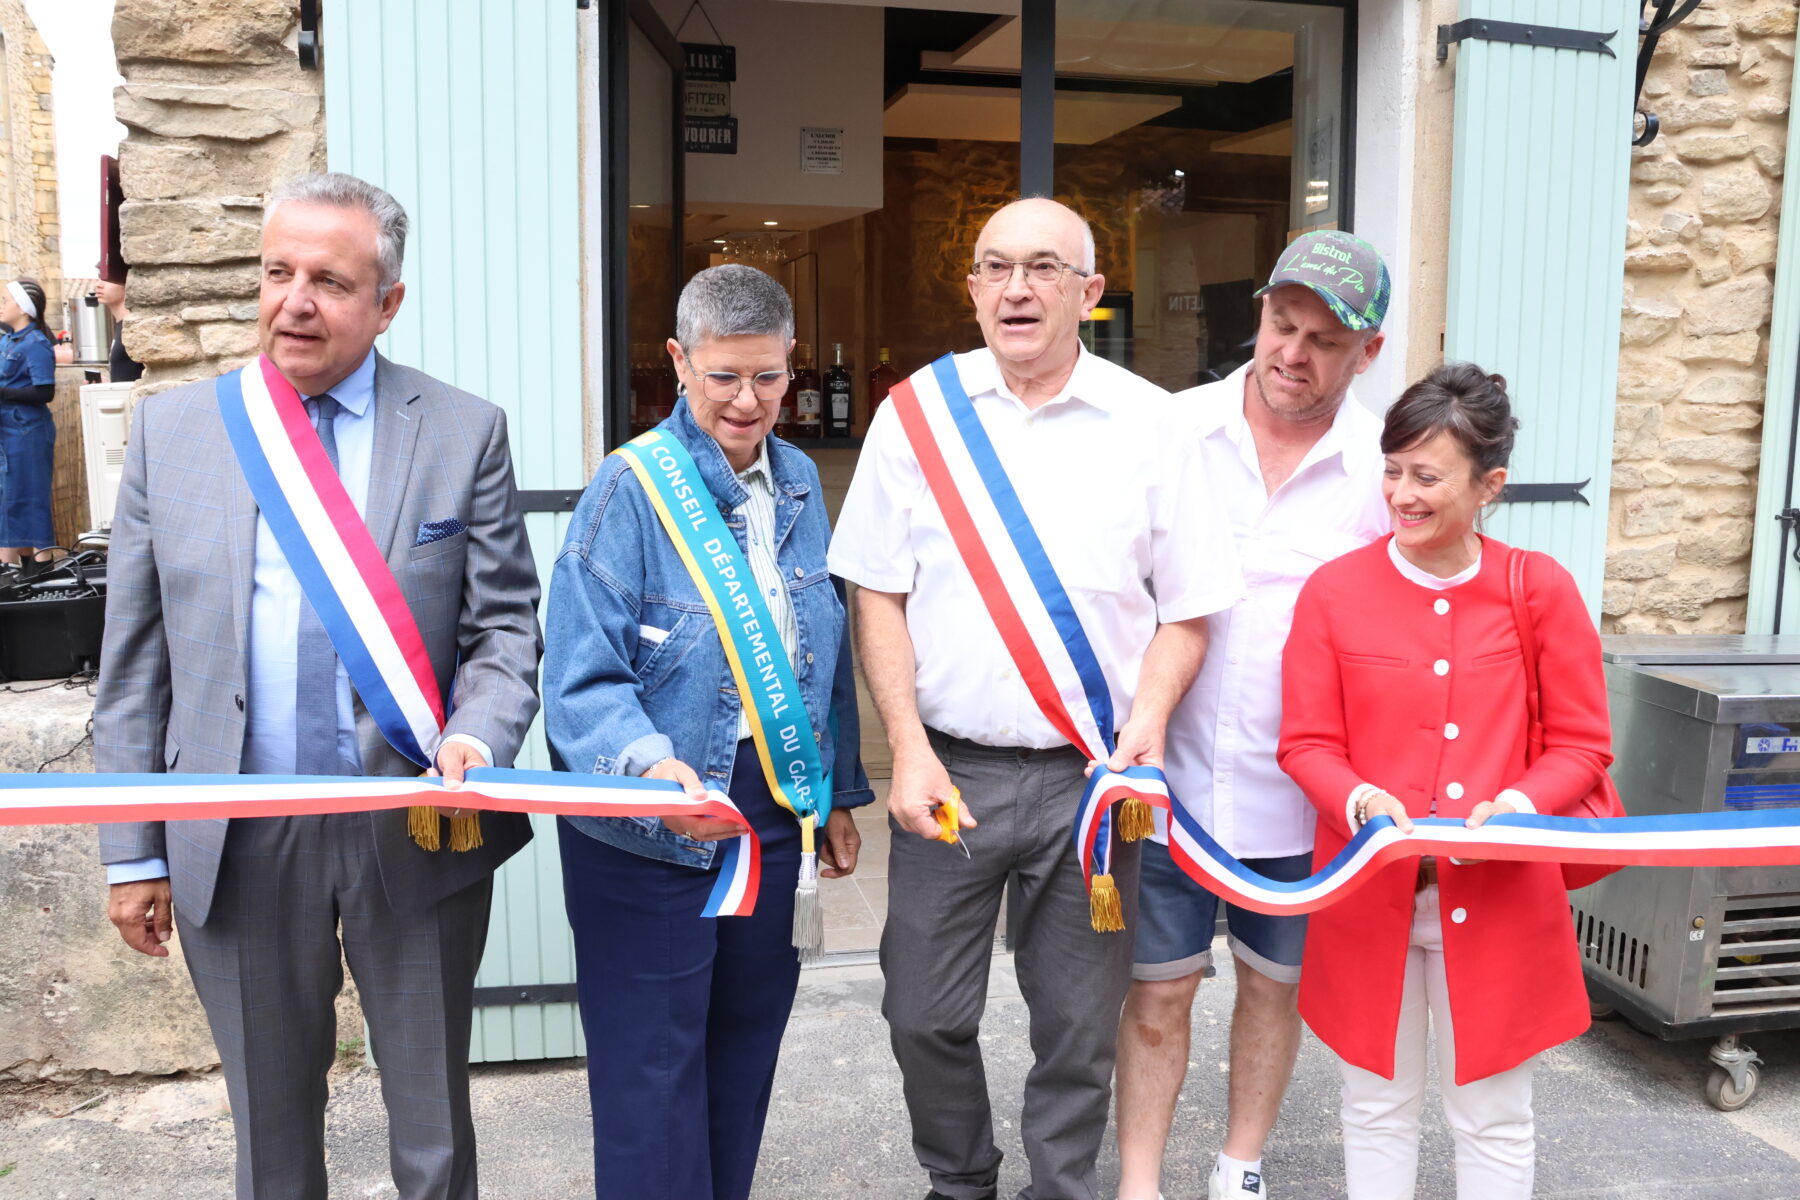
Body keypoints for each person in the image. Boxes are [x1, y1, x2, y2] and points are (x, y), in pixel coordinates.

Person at [95, 172, 543, 1200]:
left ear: (387, 303)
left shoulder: (462, 430)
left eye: (330, 282)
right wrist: (132, 851)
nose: (294, 300)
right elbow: (134, 668)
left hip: (411, 824)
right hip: (239, 831)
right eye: (277, 273)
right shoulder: (175, 435)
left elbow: (505, 628)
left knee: (432, 1132)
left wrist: (479, 735)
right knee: (272, 1129)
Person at [829, 197, 1241, 1200]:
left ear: (1089, 294)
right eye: (997, 267)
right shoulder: (916, 415)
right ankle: (961, 1180)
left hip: (1093, 785)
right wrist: (908, 747)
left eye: (1045, 268)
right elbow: (876, 589)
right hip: (952, 775)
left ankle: (1061, 1188)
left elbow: (1190, 611)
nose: (1018, 288)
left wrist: (1144, 730)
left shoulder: (1152, 424)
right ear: (971, 288)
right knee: (921, 1010)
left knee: (1077, 1026)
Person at [543, 262, 872, 1200]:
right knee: (652, 1081)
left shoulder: (802, 480)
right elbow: (578, 680)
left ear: (792, 362)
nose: (747, 401)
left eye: (768, 377)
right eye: (723, 377)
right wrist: (653, 771)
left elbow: (824, 651)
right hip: (649, 831)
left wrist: (840, 793)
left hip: (771, 820)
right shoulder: (627, 491)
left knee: (743, 1057)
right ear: (679, 362)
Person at [1277, 363, 1614, 1199]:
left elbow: (1583, 744)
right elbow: (1306, 742)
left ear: (1488, 484)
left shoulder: (1538, 588)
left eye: (1426, 476)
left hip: (1499, 896)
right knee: (1374, 1105)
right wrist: (1357, 799)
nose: (1401, 493)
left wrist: (1521, 804)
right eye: (1392, 470)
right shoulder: (1333, 592)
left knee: (1494, 1112)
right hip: (1369, 893)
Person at [1116, 231, 1392, 1200]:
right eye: (1284, 325)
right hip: (1169, 781)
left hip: (1303, 796)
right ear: (1260, 312)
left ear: (1370, 351)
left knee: (1274, 991)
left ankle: (1240, 1168)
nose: (1293, 354)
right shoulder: (1175, 430)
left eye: (1324, 341)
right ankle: (1140, 1184)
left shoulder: (1386, 468)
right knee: (1158, 991)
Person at [0, 277, 58, 567]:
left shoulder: (36, 343)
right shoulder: (7, 340)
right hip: (8, 432)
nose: (0, 307)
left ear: (23, 309)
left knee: (31, 496)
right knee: (11, 498)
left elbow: (44, 392)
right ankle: (20, 566)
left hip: (27, 431)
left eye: (5, 301)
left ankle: (41, 564)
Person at [96, 268, 144, 383]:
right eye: (99, 278)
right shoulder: (122, 325)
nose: (98, 284)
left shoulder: (136, 328)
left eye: (106, 279)